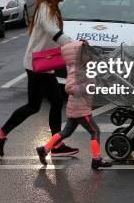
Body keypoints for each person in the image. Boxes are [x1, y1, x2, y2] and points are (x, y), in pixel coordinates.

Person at [0, 0, 78, 157]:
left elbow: (54, 33)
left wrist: (73, 42)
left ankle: (2, 134)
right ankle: (3, 134)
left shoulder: (51, 7)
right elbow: (51, 30)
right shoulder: (45, 8)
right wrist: (72, 44)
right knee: (43, 104)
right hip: (37, 65)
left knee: (42, 104)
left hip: (43, 65)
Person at [36, 41, 112, 169]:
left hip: (75, 108)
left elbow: (96, 64)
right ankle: (96, 159)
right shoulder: (77, 70)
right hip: (80, 108)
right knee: (95, 131)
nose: (89, 50)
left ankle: (44, 149)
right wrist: (87, 87)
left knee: (66, 132)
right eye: (86, 49)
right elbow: (69, 88)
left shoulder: (84, 64)